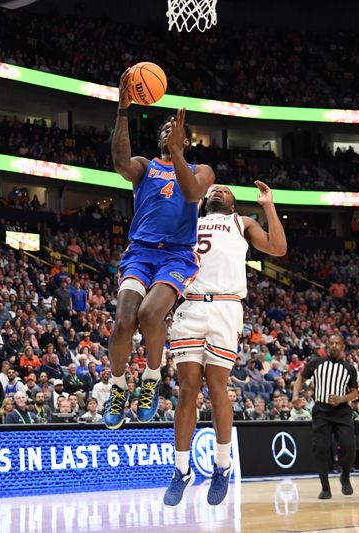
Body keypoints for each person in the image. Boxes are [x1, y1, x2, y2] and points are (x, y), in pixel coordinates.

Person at [104, 72, 215, 431]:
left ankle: (151, 377)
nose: (171, 130)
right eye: (166, 128)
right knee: (123, 323)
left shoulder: (202, 170)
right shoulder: (145, 167)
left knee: (151, 315)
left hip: (177, 256)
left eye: (176, 128)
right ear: (159, 138)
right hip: (140, 253)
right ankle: (119, 387)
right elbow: (120, 162)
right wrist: (123, 110)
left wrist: (180, 154)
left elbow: (193, 194)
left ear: (185, 139)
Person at [164, 182, 286, 506]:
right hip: (190, 305)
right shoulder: (189, 219)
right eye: (213, 190)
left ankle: (222, 465)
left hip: (226, 307)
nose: (218, 191)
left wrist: (268, 206)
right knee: (187, 389)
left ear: (233, 204)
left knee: (217, 387)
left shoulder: (242, 223)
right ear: (204, 201)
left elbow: (278, 247)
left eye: (225, 191)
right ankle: (181, 470)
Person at [293, 334, 359, 499]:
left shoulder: (349, 368)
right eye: (331, 343)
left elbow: (355, 393)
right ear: (327, 346)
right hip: (322, 411)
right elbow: (301, 379)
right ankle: (325, 487)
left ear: (343, 347)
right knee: (320, 448)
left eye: (337, 343)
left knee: (349, 445)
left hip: (342, 411)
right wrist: (295, 395)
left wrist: (341, 399)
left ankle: (345, 476)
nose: (334, 346)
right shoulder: (316, 363)